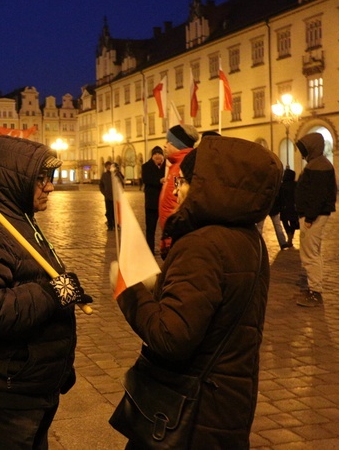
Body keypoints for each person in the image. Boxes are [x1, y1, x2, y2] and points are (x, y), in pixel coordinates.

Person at [112, 135, 282, 447]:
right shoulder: (249, 240)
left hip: (189, 414)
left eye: (184, 181)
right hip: (228, 404)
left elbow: (171, 337)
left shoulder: (202, 244)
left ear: (209, 187)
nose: (175, 189)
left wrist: (130, 290)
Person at [0, 135, 92, 449]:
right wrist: (53, 294)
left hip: (32, 384)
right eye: (42, 179)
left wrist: (66, 287)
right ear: (16, 181)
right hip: (6, 392)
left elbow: (34, 274)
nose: (50, 187)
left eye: (49, 178)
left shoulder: (21, 220)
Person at [294, 133, 337, 307]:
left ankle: (315, 291)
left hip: (313, 216)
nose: (302, 154)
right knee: (313, 252)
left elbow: (316, 196)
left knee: (310, 254)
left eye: (304, 150)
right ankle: (313, 287)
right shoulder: (319, 164)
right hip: (314, 215)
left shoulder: (318, 166)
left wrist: (309, 218)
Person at [158, 124, 199, 258]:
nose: (164, 146)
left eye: (168, 142)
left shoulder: (182, 166)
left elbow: (181, 199)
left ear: (177, 144)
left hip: (176, 234)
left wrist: (171, 237)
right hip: (172, 232)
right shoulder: (176, 165)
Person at [141, 146, 165, 253]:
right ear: (152, 156)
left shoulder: (167, 166)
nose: (158, 156)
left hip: (165, 202)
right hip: (152, 203)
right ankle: (149, 250)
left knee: (167, 227)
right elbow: (146, 179)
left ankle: (166, 249)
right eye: (155, 154)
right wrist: (159, 181)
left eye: (159, 154)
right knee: (150, 229)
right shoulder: (146, 166)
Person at [279, 168, 298, 247]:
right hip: (293, 207)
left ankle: (289, 234)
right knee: (293, 222)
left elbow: (279, 197)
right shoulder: (296, 185)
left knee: (285, 222)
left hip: (284, 207)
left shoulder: (282, 185)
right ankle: (291, 237)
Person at [99, 161, 115, 229]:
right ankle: (110, 225)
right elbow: (101, 185)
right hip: (107, 197)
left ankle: (115, 223)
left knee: (114, 211)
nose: (109, 167)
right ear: (106, 167)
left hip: (115, 197)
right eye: (108, 166)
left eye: (110, 166)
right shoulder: (104, 175)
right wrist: (104, 193)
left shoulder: (115, 174)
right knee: (108, 211)